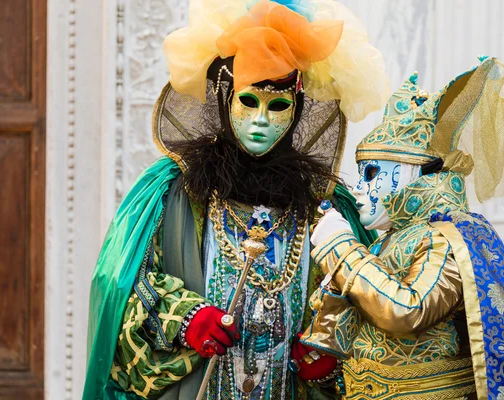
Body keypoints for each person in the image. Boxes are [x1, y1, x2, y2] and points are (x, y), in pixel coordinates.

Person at [83, 1, 389, 399]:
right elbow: (120, 287)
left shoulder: (325, 204)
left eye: (278, 106)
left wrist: (329, 344)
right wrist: (187, 318)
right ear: (226, 99)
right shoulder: (172, 191)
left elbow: (365, 300)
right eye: (249, 101)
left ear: (296, 112)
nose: (261, 120)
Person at [302, 56, 504, 399]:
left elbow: (407, 311)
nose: (359, 187)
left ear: (412, 174)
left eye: (372, 173)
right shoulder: (387, 240)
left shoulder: (447, 237)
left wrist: (341, 249)